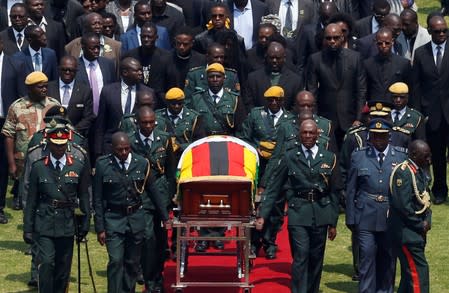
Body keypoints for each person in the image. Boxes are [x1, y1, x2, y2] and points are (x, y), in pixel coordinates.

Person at [256, 119, 338, 293]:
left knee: (316, 257)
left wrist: (333, 222)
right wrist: (263, 214)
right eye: (304, 133)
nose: (307, 136)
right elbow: (274, 188)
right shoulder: (290, 156)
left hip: (321, 211)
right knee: (301, 255)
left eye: (311, 133)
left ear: (318, 135)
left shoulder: (329, 157)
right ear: (299, 135)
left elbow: (334, 192)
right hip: (298, 212)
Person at [93, 131, 168, 293]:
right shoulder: (103, 164)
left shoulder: (141, 163)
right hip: (113, 219)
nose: (124, 153)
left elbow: (153, 191)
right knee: (115, 260)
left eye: (127, 149)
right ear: (113, 149)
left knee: (132, 262)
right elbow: (97, 198)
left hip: (135, 218)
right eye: (120, 150)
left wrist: (165, 217)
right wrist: (100, 228)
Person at [23, 125, 90, 293]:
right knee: (46, 263)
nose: (59, 148)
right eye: (55, 144)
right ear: (49, 143)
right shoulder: (39, 167)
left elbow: (84, 196)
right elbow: (31, 200)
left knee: (62, 269)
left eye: (62, 144)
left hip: (67, 224)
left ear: (67, 143)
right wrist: (27, 228)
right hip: (44, 223)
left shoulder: (77, 166)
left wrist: (86, 222)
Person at [346, 118, 408, 293]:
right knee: (366, 257)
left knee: (388, 260)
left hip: (390, 216)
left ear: (389, 136)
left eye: (382, 136)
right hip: (365, 214)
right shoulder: (359, 156)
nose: (378, 140)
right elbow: (351, 189)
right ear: (369, 137)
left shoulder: (401, 156)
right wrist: (351, 218)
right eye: (375, 136)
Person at [238, 85, 294, 259]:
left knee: (276, 207)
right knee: (255, 206)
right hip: (258, 166)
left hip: (279, 169)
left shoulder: (290, 119)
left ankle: (270, 242)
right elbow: (243, 137)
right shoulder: (256, 115)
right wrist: (257, 148)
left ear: (283, 100)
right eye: (270, 100)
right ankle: (254, 243)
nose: (274, 103)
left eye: (277, 100)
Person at [126, 106, 172, 292]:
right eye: (144, 122)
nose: (148, 126)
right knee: (147, 238)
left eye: (151, 122)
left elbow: (170, 170)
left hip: (160, 197)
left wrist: (170, 196)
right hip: (140, 196)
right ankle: (148, 278)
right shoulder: (129, 140)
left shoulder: (164, 138)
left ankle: (157, 276)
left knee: (160, 241)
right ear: (137, 122)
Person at [2, 71, 60, 211]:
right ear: (29, 88)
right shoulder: (17, 107)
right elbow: (8, 135)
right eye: (40, 87)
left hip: (49, 162)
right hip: (25, 163)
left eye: (46, 86)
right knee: (27, 201)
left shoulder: (54, 106)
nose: (44, 89)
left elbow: (63, 132)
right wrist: (11, 164)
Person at [411, 14, 449, 204]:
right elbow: (416, 87)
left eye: (445, 30)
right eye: (437, 31)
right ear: (429, 31)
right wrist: (419, 115)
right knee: (438, 156)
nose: (442, 34)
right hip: (433, 114)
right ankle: (440, 190)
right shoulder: (421, 54)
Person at [389, 139, 432, 293]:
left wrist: (427, 221)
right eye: (425, 156)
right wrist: (420, 225)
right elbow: (403, 207)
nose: (428, 159)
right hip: (406, 234)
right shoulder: (404, 172)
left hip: (415, 233)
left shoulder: (419, 171)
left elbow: (425, 200)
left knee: (409, 276)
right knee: (419, 273)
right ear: (414, 154)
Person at [94, 57, 150, 156]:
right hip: (111, 146)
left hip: (137, 148)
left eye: (141, 70)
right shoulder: (108, 91)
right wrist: (98, 152)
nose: (140, 73)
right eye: (136, 70)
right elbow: (101, 123)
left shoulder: (147, 93)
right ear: (125, 72)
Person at [245, 40, 302, 111]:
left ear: (284, 58)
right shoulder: (253, 78)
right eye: (271, 58)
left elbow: (295, 106)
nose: (274, 61)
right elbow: (249, 103)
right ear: (266, 57)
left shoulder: (295, 80)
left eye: (278, 58)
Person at [47, 55, 95, 138]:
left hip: (76, 137)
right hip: (51, 135)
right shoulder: (48, 88)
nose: (67, 72)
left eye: (71, 70)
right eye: (64, 69)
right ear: (59, 69)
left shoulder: (85, 91)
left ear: (76, 71)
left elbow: (88, 117)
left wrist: (72, 131)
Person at [363, 27, 411, 102]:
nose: (384, 46)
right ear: (376, 43)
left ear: (392, 42)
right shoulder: (367, 64)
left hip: (395, 107)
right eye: (380, 43)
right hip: (374, 108)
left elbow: (409, 89)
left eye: (387, 43)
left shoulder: (403, 63)